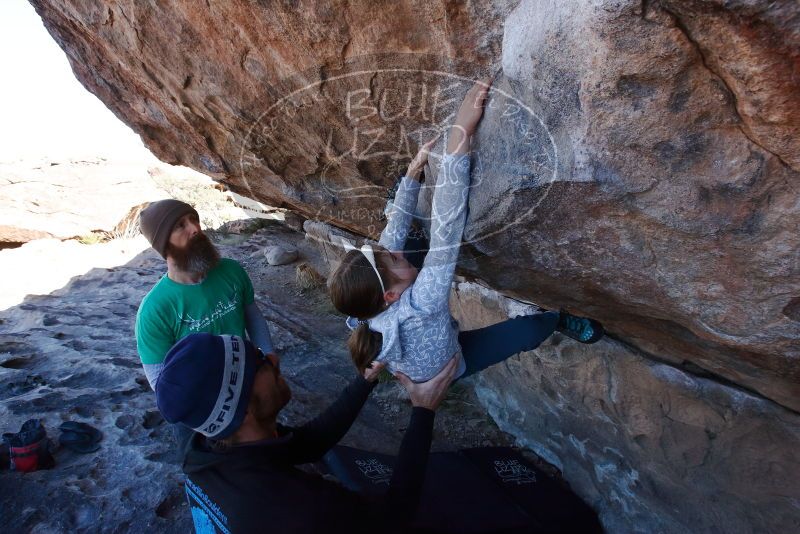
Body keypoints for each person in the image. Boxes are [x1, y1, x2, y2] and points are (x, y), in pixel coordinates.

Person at [329, 79, 604, 382]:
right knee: (529, 330)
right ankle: (555, 320)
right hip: (454, 362)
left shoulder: (366, 308)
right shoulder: (422, 304)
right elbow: (447, 224)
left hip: (425, 330)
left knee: (405, 239)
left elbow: (392, 239)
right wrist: (462, 131)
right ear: (391, 296)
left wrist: (411, 176)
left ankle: (395, 204)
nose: (391, 251)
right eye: (391, 259)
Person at [155, 333, 460, 533]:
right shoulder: (295, 508)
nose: (274, 358)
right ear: (243, 409)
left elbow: (307, 444)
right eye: (260, 361)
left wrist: (363, 381)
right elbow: (396, 516)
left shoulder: (205, 442)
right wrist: (423, 410)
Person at [135, 200, 274, 389]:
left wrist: (269, 360)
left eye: (194, 219)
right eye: (180, 226)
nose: (195, 229)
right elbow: (158, 378)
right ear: (163, 244)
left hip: (248, 376)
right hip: (204, 397)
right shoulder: (155, 309)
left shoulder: (231, 271)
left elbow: (253, 317)